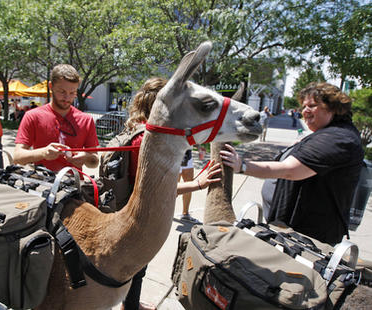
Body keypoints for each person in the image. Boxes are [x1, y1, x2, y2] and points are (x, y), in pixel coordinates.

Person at [121, 77, 222, 310]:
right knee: (137, 267)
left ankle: (131, 303)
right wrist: (197, 183)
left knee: (135, 267)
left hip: (129, 210)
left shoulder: (138, 130)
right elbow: (156, 189)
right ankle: (130, 307)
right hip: (139, 216)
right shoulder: (146, 140)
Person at [220, 82, 364, 245]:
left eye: (312, 105)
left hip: (308, 238)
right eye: (304, 106)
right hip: (291, 230)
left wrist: (243, 166)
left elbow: (290, 170)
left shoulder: (337, 139)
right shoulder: (328, 133)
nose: (305, 111)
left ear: (333, 107)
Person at [14, 64, 99, 172]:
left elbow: (95, 162)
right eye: (62, 92)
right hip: (41, 183)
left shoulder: (86, 119)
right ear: (51, 86)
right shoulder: (33, 116)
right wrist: (43, 153)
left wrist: (87, 157)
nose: (67, 98)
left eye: (72, 93)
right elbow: (17, 156)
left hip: (74, 184)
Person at [178, 149, 197, 223]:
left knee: (189, 185)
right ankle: (165, 214)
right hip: (175, 152)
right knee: (173, 187)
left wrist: (199, 147)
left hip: (187, 153)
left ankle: (185, 214)